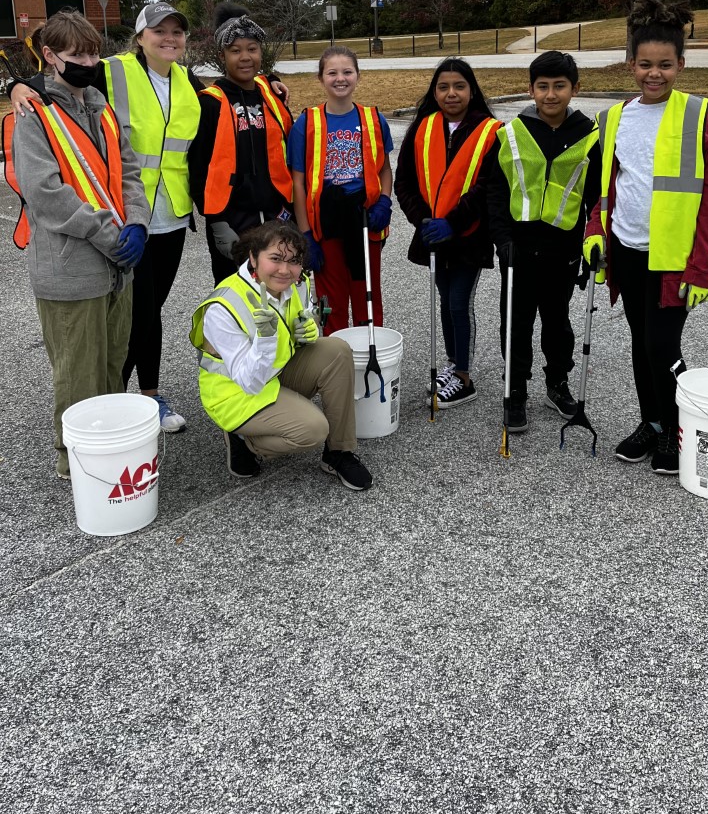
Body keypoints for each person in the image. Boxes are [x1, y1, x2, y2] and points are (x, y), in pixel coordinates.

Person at [9, 0, 205, 434]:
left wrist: (274, 86)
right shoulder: (111, 72)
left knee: (145, 312)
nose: (169, 39)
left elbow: (133, 157)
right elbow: (52, 84)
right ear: (139, 37)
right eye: (159, 31)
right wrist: (17, 86)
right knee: (132, 319)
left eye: (177, 32)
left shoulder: (188, 81)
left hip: (164, 214)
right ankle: (111, 413)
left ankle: (132, 402)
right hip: (115, 226)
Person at [584, 0, 708, 475]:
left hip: (675, 257)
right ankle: (651, 422)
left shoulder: (697, 116)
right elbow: (606, 187)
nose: (654, 73)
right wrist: (595, 232)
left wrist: (703, 265)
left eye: (665, 65)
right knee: (637, 341)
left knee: (661, 347)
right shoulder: (614, 119)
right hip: (626, 250)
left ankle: (676, 429)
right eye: (645, 64)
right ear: (631, 64)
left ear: (681, 65)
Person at [2, 9, 150, 479]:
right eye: (76, 54)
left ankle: (110, 449)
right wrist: (110, 235)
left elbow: (129, 173)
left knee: (111, 368)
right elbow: (45, 195)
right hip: (71, 270)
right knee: (78, 376)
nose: (88, 61)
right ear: (48, 56)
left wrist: (139, 224)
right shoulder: (33, 116)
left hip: (116, 268)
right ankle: (80, 464)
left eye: (93, 52)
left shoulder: (99, 106)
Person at [190, 221, 373, 491]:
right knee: (312, 429)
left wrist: (305, 331)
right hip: (236, 393)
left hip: (273, 375)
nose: (285, 270)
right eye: (275, 259)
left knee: (336, 350)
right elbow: (248, 381)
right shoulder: (223, 307)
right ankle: (245, 440)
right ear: (253, 257)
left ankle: (338, 453)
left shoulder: (297, 283)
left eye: (294, 261)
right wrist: (265, 339)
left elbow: (296, 325)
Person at [487, 50, 601, 435]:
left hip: (563, 249)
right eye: (543, 87)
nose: (551, 95)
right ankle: (515, 390)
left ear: (574, 89)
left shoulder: (589, 136)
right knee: (515, 324)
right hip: (517, 249)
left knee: (557, 323)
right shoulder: (511, 134)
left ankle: (558, 383)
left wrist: (592, 242)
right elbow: (496, 192)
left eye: (559, 86)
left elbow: (596, 196)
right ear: (531, 89)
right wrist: (501, 239)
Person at [394, 58, 500, 408]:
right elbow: (404, 181)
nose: (451, 93)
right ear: (434, 91)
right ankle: (453, 365)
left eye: (459, 86)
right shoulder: (423, 128)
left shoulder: (490, 131)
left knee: (459, 302)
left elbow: (486, 188)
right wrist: (422, 219)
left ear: (472, 90)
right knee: (444, 301)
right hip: (432, 234)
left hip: (467, 235)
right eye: (443, 87)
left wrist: (453, 222)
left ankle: (464, 376)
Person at [289, 46, 394, 334]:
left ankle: (370, 360)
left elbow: (384, 168)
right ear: (320, 78)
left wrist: (385, 201)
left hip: (363, 220)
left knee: (367, 297)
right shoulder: (306, 123)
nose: (340, 78)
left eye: (347, 71)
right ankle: (336, 363)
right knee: (331, 302)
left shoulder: (374, 119)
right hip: (326, 223)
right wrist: (305, 234)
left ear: (358, 75)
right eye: (332, 72)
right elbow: (298, 181)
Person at [188, 5, 295, 286]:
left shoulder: (272, 98)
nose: (245, 57)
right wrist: (215, 220)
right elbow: (199, 168)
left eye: (252, 49)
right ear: (222, 55)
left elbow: (291, 157)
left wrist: (290, 211)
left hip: (277, 215)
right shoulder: (210, 102)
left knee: (279, 292)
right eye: (235, 50)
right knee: (236, 299)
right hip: (232, 221)